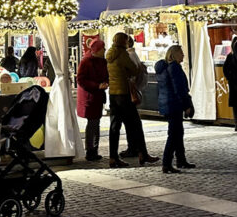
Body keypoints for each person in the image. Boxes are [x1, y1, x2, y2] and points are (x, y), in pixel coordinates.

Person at [106, 32, 157, 167]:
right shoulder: (122, 54)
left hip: (113, 94)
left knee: (114, 126)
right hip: (124, 93)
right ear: (123, 41)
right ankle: (143, 153)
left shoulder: (110, 54)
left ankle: (113, 157)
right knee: (136, 124)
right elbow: (134, 70)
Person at [155, 45, 194, 173]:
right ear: (174, 54)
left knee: (177, 133)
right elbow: (180, 89)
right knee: (174, 134)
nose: (183, 55)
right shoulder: (174, 68)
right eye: (181, 53)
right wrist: (187, 105)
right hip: (174, 104)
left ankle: (181, 159)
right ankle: (167, 163)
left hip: (167, 104)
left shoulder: (165, 68)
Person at [76, 39, 109, 161]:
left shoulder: (102, 61)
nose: (104, 50)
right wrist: (96, 85)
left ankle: (94, 150)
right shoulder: (86, 61)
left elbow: (106, 75)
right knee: (93, 123)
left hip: (98, 96)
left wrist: (105, 82)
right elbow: (80, 79)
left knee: (96, 123)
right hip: (90, 97)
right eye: (102, 49)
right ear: (97, 50)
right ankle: (90, 150)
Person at [222, 33, 237, 131]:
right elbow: (225, 69)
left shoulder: (234, 55)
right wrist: (231, 77)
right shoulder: (232, 56)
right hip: (236, 82)